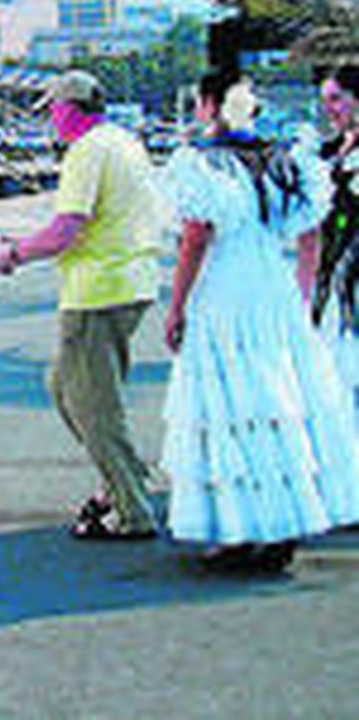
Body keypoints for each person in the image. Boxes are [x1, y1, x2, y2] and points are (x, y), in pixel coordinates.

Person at [159, 70, 359, 572]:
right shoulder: (282, 162)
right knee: (279, 403)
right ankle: (282, 523)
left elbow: (196, 238)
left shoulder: (203, 164)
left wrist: (177, 305)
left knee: (230, 407)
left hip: (226, 290)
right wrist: (302, 293)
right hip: (273, 287)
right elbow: (310, 233)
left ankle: (239, 528)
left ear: (208, 106)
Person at [0, 68, 163, 541]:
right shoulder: (123, 142)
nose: (49, 118)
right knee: (64, 387)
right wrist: (31, 242)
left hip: (98, 292)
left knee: (92, 405)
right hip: (131, 281)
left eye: (51, 109)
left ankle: (131, 508)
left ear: (68, 108)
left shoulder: (85, 153)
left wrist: (14, 254)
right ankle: (125, 479)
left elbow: (67, 230)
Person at [315, 64, 359, 424]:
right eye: (324, 101)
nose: (330, 108)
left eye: (336, 99)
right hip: (332, 267)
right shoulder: (328, 150)